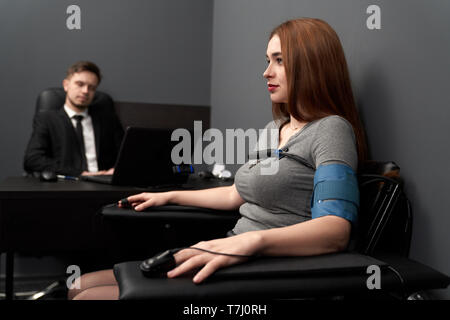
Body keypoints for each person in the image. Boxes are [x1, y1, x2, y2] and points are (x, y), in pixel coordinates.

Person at [68, 18, 368, 300]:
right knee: (77, 285)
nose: (267, 72)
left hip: (269, 266)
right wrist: (169, 196)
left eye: (279, 60)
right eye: (267, 61)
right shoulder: (274, 129)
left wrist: (250, 243)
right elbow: (234, 194)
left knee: (87, 296)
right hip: (230, 248)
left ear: (310, 64)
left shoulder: (331, 130)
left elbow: (335, 229)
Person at [24, 61, 124, 177]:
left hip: (103, 183)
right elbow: (32, 159)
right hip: (68, 183)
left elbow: (125, 155)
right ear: (66, 85)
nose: (85, 91)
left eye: (91, 88)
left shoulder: (108, 121)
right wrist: (81, 173)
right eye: (80, 84)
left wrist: (114, 171)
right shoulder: (47, 119)